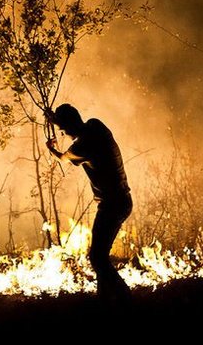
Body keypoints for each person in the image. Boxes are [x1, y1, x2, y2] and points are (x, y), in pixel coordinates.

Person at [45, 103, 133, 304]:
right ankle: (105, 300)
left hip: (112, 205)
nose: (64, 134)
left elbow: (63, 158)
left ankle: (125, 298)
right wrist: (55, 119)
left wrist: (51, 150)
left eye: (63, 130)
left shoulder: (82, 145)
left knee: (97, 258)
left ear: (68, 127)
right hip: (122, 200)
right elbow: (74, 131)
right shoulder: (96, 125)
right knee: (100, 255)